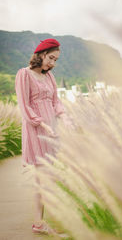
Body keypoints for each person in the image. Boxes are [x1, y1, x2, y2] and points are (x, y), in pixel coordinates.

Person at [15, 38, 73, 236]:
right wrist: (43, 125)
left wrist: (64, 118)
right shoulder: (24, 74)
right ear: (40, 54)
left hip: (52, 129)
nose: (52, 63)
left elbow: (56, 102)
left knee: (50, 178)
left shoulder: (50, 77)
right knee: (44, 179)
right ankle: (40, 223)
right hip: (38, 130)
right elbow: (24, 106)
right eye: (50, 58)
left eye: (56, 60)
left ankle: (41, 222)